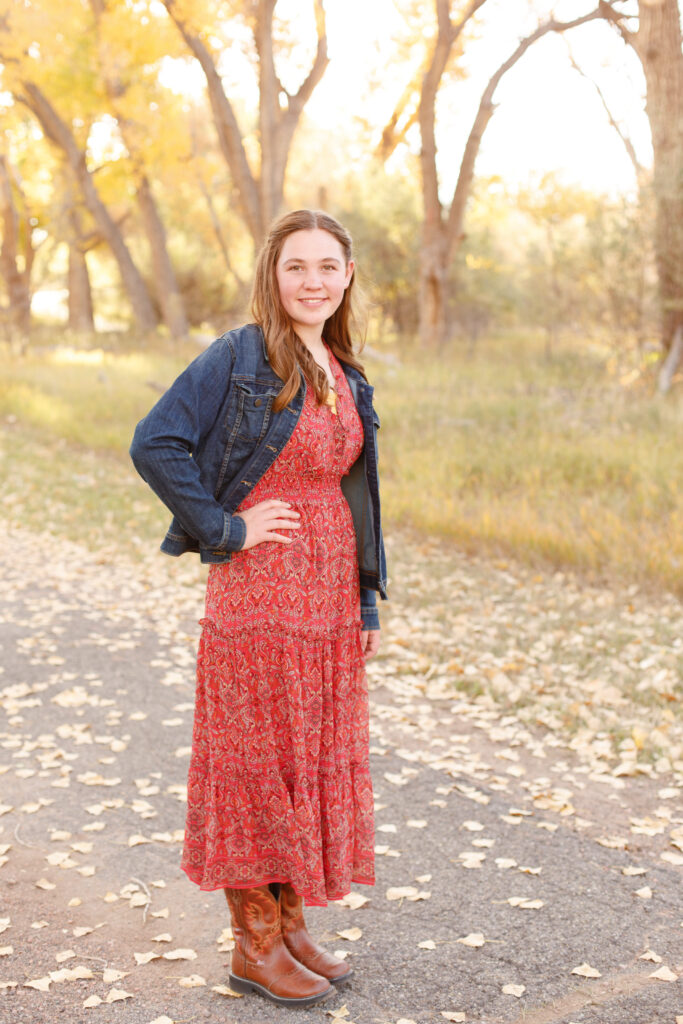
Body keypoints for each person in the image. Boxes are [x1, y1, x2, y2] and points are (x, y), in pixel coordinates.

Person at [130, 209, 387, 1009]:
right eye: (295, 267)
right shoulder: (239, 356)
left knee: (298, 764)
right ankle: (252, 947)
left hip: (327, 595)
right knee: (256, 769)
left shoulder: (345, 368)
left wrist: (366, 604)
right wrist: (224, 527)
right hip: (260, 594)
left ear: (347, 276)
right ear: (272, 278)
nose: (312, 280)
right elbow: (154, 441)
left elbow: (357, 495)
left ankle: (290, 925)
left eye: (326, 266)